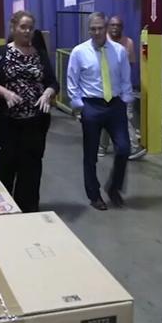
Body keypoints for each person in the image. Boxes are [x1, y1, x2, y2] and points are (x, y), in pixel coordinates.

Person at [0, 11, 58, 213]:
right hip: (7, 123)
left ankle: (28, 210)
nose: (27, 31)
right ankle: (4, 209)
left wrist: (48, 93)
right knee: (6, 167)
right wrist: (5, 93)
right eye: (23, 27)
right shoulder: (1, 53)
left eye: (30, 27)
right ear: (13, 28)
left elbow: (52, 82)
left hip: (35, 123)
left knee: (31, 169)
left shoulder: (39, 54)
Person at [67, 12, 133, 210]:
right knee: (91, 154)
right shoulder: (79, 52)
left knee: (124, 148)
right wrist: (79, 106)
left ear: (106, 28)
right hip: (92, 106)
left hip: (115, 105)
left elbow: (125, 78)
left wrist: (126, 101)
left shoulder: (119, 51)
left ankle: (114, 187)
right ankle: (94, 195)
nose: (97, 32)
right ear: (89, 30)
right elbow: (72, 80)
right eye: (93, 29)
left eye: (100, 28)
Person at [99, 15, 147, 160]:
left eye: (118, 25)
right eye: (112, 25)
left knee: (127, 116)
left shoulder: (128, 43)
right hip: (105, 87)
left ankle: (133, 147)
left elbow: (130, 65)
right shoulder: (102, 42)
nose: (115, 28)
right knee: (106, 118)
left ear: (122, 27)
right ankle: (102, 146)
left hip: (123, 87)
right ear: (108, 27)